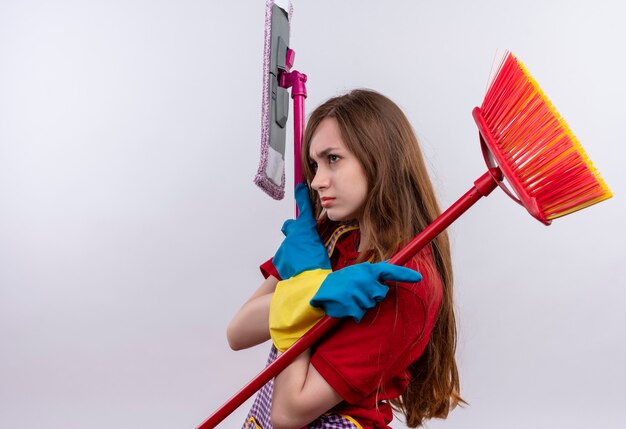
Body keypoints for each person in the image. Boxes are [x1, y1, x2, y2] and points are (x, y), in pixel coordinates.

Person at [227, 89, 463, 429]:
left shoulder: (402, 282)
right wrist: (312, 286)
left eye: (333, 159)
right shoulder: (325, 234)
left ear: (378, 158)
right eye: (314, 164)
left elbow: (289, 413)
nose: (318, 180)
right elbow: (237, 332)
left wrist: (304, 297)